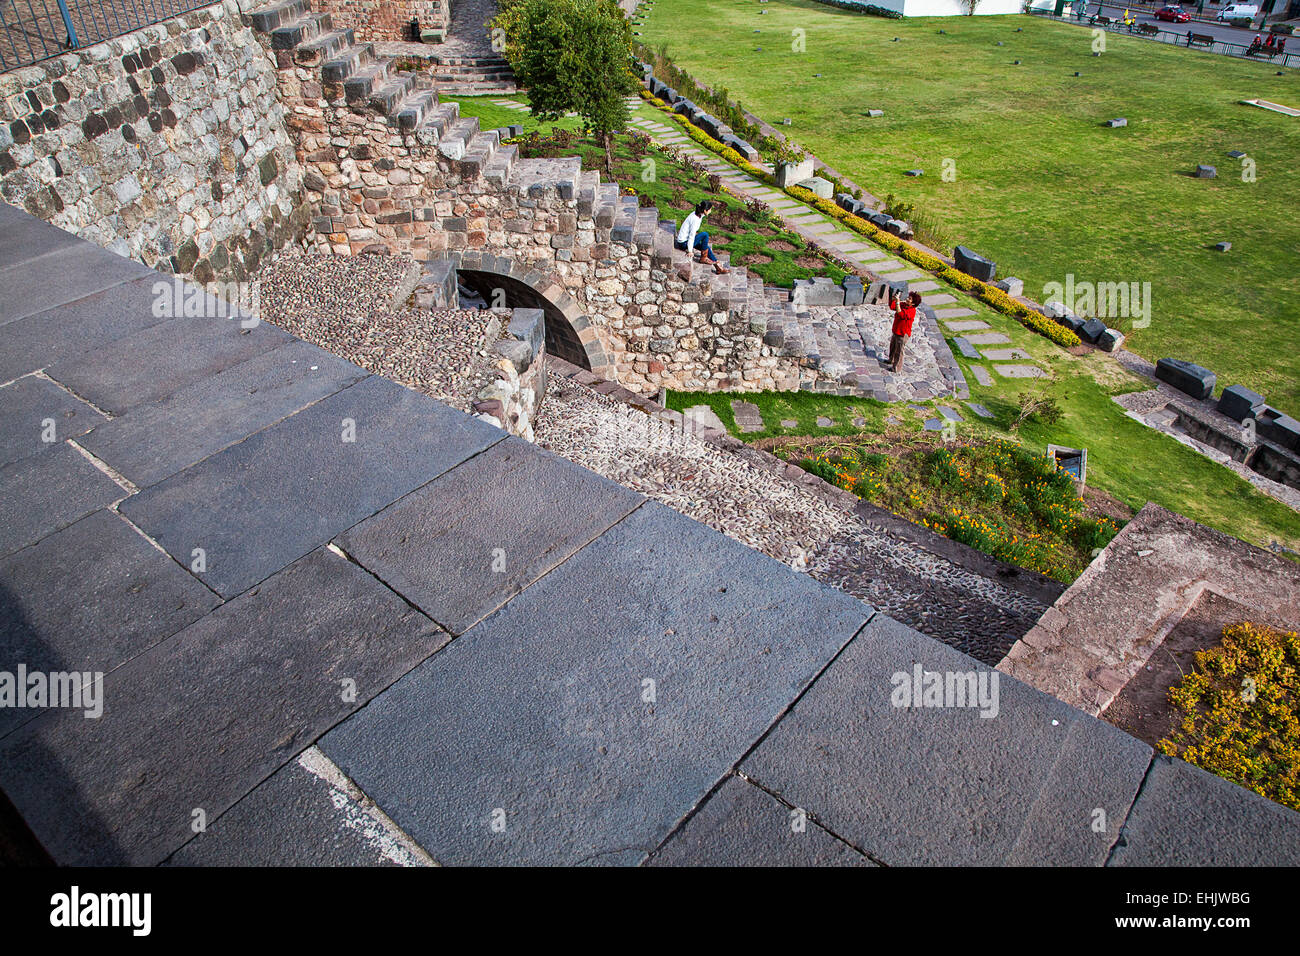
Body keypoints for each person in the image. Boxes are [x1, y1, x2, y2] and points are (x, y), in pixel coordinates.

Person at [674, 200, 729, 275]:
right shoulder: (695, 219)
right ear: (705, 210)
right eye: (710, 209)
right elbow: (691, 236)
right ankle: (703, 258)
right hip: (683, 243)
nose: (711, 211)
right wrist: (690, 250)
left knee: (706, 247)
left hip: (686, 241)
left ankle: (718, 266)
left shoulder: (698, 215)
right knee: (705, 234)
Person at [887, 290, 922, 373]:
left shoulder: (912, 311)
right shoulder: (903, 305)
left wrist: (898, 302)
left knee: (899, 351)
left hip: (903, 334)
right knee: (893, 346)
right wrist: (893, 299)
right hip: (896, 330)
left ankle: (896, 368)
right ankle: (890, 360)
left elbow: (901, 314)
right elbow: (892, 307)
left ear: (913, 303)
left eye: (909, 299)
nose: (907, 299)